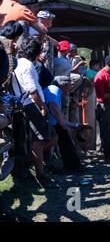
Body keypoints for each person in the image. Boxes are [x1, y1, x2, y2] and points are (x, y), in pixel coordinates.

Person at [12, 37, 58, 187]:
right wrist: (42, 106)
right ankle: (40, 173)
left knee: (40, 140)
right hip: (31, 105)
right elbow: (32, 90)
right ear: (36, 52)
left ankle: (32, 166)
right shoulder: (27, 66)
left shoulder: (20, 63)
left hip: (28, 104)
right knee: (40, 141)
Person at [44, 76, 83, 172]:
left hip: (53, 121)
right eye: (70, 85)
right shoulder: (54, 90)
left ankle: (72, 166)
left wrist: (69, 124)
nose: (71, 88)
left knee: (65, 142)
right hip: (51, 122)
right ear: (63, 84)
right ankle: (73, 166)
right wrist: (63, 124)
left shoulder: (55, 90)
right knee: (65, 141)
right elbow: (53, 107)